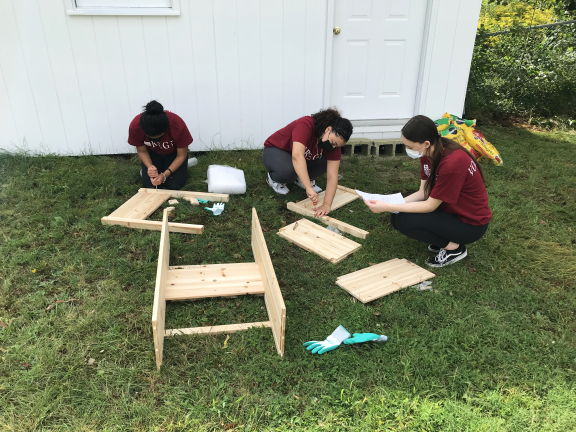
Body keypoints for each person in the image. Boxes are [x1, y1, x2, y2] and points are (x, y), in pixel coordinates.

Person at [363, 115, 491, 268]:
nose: (408, 150)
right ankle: (443, 239)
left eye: (410, 147)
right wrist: (389, 202)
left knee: (404, 221)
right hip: (451, 210)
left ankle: (455, 249)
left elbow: (430, 205)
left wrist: (387, 206)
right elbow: (424, 192)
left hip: (470, 224)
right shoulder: (428, 152)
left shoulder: (452, 164)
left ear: (426, 143)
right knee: (397, 216)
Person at [262, 108, 353, 217]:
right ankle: (273, 179)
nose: (333, 147)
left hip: (299, 158)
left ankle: (301, 179)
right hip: (276, 150)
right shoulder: (305, 125)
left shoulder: (333, 144)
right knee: (288, 171)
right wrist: (309, 187)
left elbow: (332, 175)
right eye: (333, 142)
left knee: (327, 162)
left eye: (336, 146)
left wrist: (326, 205)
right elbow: (297, 156)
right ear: (328, 129)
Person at [128, 100, 193, 190]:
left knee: (174, 185)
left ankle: (179, 167)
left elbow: (181, 155)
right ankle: (146, 170)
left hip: (174, 154)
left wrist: (164, 175)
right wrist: (150, 167)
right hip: (153, 153)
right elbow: (142, 151)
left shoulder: (177, 124)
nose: (155, 140)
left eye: (159, 137)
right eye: (151, 137)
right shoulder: (135, 126)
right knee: (150, 185)